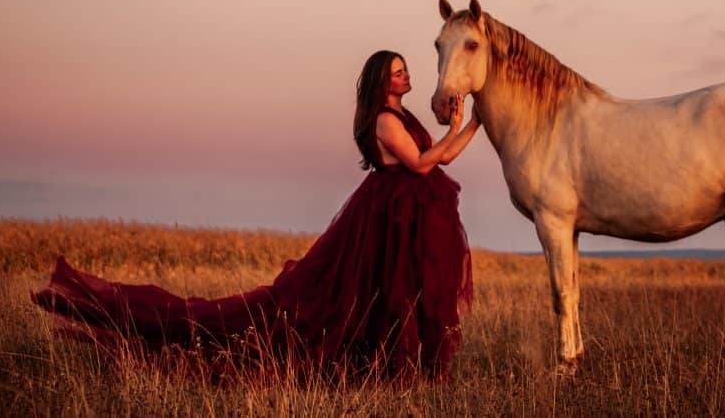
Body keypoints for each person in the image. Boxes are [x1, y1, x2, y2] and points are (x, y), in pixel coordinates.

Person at [31, 50, 480, 380]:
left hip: (404, 218)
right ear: (382, 81)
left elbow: (444, 159)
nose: (407, 77)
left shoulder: (403, 115)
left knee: (396, 296)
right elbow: (422, 164)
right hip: (386, 218)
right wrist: (456, 127)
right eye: (398, 72)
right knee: (349, 300)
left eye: (405, 71)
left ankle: (404, 370)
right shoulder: (384, 120)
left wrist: (477, 122)